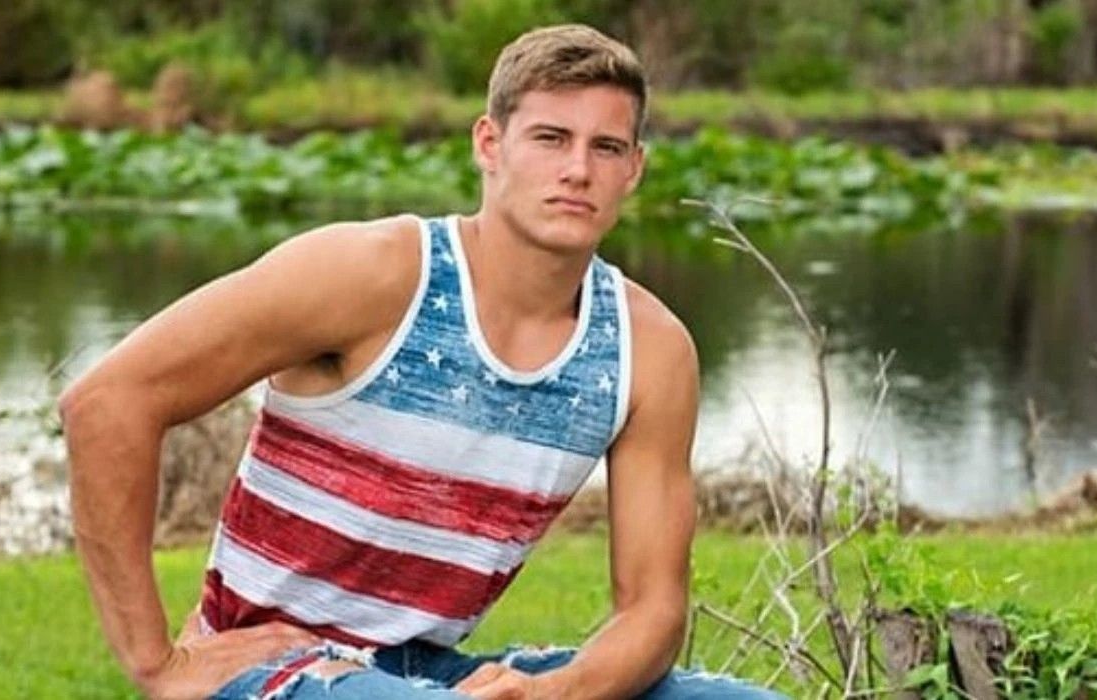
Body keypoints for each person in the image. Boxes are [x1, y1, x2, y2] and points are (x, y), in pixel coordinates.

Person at [61, 24, 785, 700]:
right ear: (489, 144)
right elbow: (109, 402)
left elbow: (654, 612)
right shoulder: (372, 275)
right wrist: (155, 661)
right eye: (550, 137)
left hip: (425, 670)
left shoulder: (649, 349)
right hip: (271, 665)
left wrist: (548, 693)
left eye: (605, 147)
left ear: (634, 169)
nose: (577, 169)